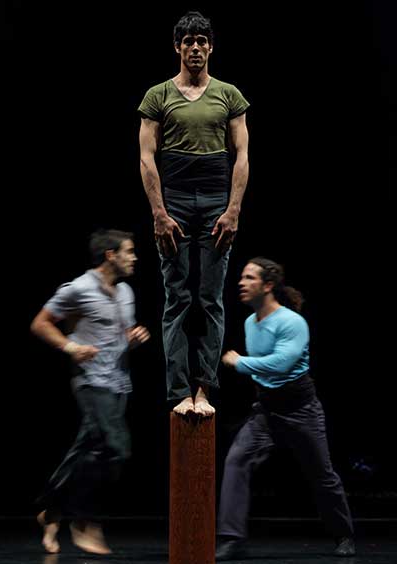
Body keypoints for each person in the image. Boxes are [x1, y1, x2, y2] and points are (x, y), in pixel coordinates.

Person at [138, 10, 249, 416]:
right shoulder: (158, 96)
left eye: (202, 41)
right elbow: (147, 158)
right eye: (189, 41)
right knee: (177, 299)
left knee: (211, 299)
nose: (196, 48)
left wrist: (233, 210)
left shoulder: (229, 95)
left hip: (216, 199)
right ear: (178, 47)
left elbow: (242, 156)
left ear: (211, 47)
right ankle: (179, 392)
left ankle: (204, 389)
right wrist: (159, 213)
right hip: (177, 201)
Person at [216, 257, 355, 560]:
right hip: (266, 409)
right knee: (236, 462)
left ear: (267, 285)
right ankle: (231, 538)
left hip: (300, 408)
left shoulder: (292, 322)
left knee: (322, 474)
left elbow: (282, 364)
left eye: (249, 278)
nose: (241, 283)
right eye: (242, 277)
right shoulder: (250, 323)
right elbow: (264, 371)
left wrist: (240, 362)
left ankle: (343, 534)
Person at [30, 229, 150, 555]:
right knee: (116, 448)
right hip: (90, 380)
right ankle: (83, 520)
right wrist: (70, 347)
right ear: (111, 255)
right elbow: (40, 323)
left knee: (88, 447)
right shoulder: (78, 289)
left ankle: (51, 509)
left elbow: (120, 334)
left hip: (119, 382)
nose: (134, 257)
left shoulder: (126, 292)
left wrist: (132, 339)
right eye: (129, 251)